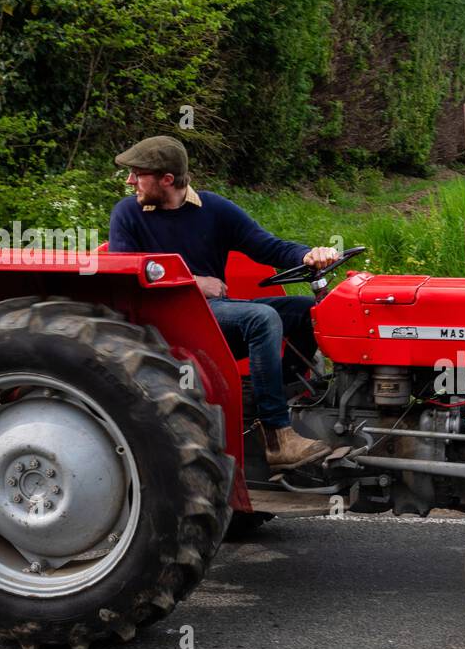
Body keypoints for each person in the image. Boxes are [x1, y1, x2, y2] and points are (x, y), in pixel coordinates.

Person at [108, 135, 336, 469]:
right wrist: (194, 283)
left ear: (167, 180)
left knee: (306, 311)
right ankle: (276, 436)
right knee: (261, 319)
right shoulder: (129, 213)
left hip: (216, 317)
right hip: (170, 322)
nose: (130, 181)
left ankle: (289, 397)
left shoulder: (213, 209)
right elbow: (125, 276)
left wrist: (309, 254)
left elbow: (267, 246)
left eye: (137, 174)